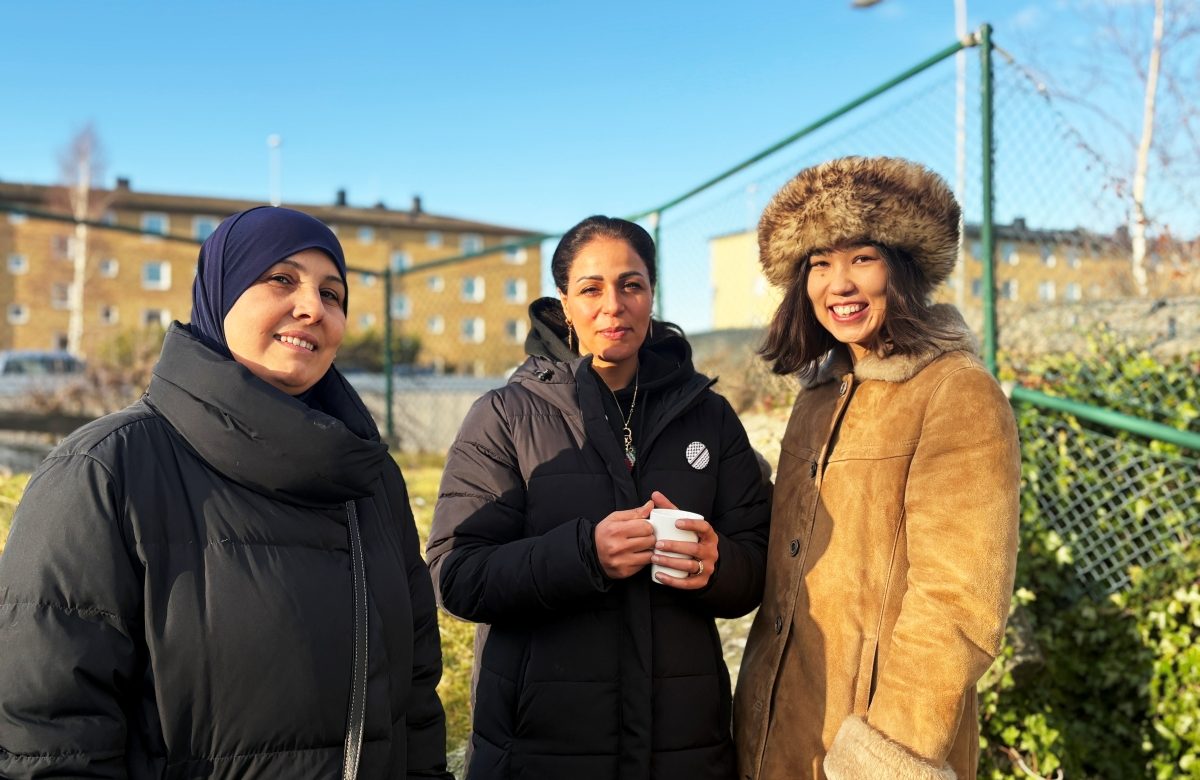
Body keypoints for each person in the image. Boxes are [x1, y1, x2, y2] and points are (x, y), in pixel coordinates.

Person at [0, 206, 453, 779]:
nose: (314, 308)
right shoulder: (104, 470)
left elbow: (414, 694)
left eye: (332, 294)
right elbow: (51, 736)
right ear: (220, 294)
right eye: (281, 279)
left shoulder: (371, 477)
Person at [426, 215, 771, 780]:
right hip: (540, 750)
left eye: (631, 285)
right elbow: (456, 575)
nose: (614, 305)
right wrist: (584, 555)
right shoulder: (504, 416)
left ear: (652, 295)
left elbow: (756, 565)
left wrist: (717, 564)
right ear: (564, 303)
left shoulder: (709, 416)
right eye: (591, 289)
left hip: (683, 748)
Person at [733, 157, 1021, 780]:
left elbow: (958, 605)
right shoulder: (819, 396)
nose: (839, 284)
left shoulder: (956, 393)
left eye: (862, 258)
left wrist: (882, 759)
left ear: (904, 268)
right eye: (819, 263)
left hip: (871, 747)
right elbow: (800, 536)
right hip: (777, 733)